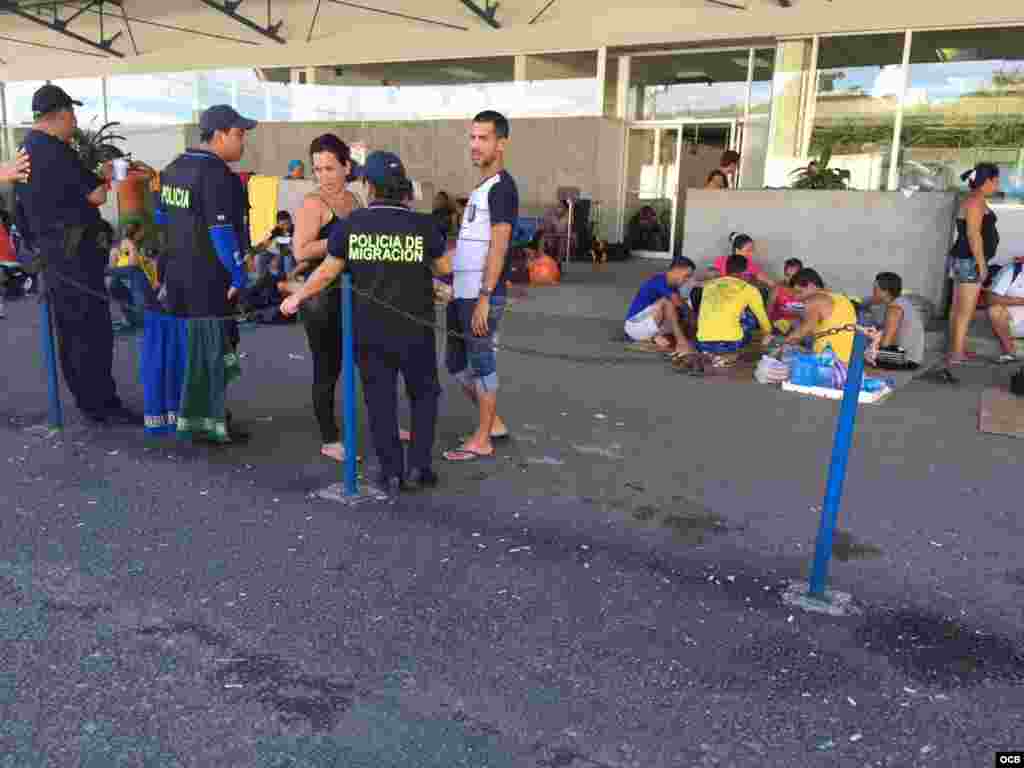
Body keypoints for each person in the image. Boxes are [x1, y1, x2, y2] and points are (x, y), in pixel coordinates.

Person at [281, 151, 449, 495]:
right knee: (424, 394)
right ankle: (420, 466)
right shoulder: (423, 226)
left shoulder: (351, 226)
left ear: (369, 186)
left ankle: (391, 472)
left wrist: (297, 297)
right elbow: (444, 269)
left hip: (370, 330)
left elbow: (327, 272)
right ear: (402, 185)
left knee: (380, 398)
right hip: (416, 328)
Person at [16, 84, 137, 425]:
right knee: (92, 330)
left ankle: (87, 399)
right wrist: (108, 176)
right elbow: (96, 195)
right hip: (76, 256)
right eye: (73, 114)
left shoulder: (24, 150)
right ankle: (101, 404)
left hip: (52, 253)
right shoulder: (57, 151)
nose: (76, 122)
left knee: (70, 331)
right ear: (62, 114)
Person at [143, 104, 255, 443]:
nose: (243, 142)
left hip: (177, 276)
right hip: (209, 281)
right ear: (219, 135)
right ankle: (210, 422)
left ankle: (188, 416)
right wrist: (238, 276)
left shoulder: (174, 168)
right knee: (214, 350)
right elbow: (221, 233)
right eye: (239, 134)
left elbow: (161, 219)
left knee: (186, 349)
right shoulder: (218, 176)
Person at [287, 134, 373, 462]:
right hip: (321, 297)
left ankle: (385, 423)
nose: (324, 176)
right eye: (318, 169)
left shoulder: (354, 200)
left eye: (330, 168)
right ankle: (329, 438)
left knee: (371, 360)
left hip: (356, 293)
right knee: (328, 367)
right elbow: (301, 251)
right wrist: (342, 238)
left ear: (346, 166)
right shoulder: (312, 203)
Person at [444, 110, 518, 463]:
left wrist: (485, 297)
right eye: (472, 137)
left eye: (483, 138)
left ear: (500, 143)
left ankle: (484, 438)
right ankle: (495, 423)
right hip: (463, 293)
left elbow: (499, 246)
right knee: (456, 364)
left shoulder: (503, 188)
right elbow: (471, 245)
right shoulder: (481, 188)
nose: (475, 145)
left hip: (481, 296)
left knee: (483, 364)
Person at [948, 163, 1000, 366]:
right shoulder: (975, 201)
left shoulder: (974, 199)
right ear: (987, 181)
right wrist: (981, 264)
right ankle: (957, 353)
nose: (997, 185)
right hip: (970, 260)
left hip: (965, 258)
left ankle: (955, 349)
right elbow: (973, 234)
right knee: (965, 310)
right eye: (996, 181)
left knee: (958, 308)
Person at [696, 254, 772, 365]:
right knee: (750, 317)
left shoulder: (709, 285)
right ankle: (734, 354)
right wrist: (767, 335)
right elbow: (763, 319)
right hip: (731, 343)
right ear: (745, 272)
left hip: (702, 342)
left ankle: (709, 352)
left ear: (726, 269)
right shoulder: (749, 289)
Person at [624, 259, 696, 360]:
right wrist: (692, 317)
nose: (687, 280)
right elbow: (679, 303)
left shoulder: (673, 286)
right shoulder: (659, 281)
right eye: (686, 276)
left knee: (682, 310)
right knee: (667, 302)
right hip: (635, 325)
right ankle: (680, 342)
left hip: (649, 324)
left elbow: (682, 308)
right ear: (676, 270)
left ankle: (654, 338)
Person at [785, 268, 857, 363]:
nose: (797, 297)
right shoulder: (843, 298)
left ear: (811, 286)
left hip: (829, 365)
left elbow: (798, 335)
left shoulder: (814, 300)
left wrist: (776, 343)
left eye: (799, 292)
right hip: (850, 363)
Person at [860, 272, 925, 369]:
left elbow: (886, 343)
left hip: (905, 360)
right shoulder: (901, 301)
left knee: (855, 353)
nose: (873, 292)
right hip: (908, 357)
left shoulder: (894, 308)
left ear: (885, 292)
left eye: (875, 289)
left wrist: (870, 347)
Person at [107, 221, 159, 328]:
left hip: (144, 287)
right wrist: (130, 245)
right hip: (129, 285)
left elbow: (147, 264)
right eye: (141, 231)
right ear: (136, 233)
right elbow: (130, 266)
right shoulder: (118, 249)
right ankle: (131, 317)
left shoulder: (141, 248)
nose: (143, 234)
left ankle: (133, 318)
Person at [985, 255, 1024, 364]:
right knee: (994, 310)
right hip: (1012, 322)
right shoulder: (1012, 270)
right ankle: (1010, 352)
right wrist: (1020, 301)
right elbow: (991, 298)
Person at [768, 257, 805, 333]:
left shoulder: (805, 290)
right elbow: (768, 311)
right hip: (779, 326)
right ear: (784, 273)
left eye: (794, 276)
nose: (790, 279)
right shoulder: (777, 288)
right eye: (787, 275)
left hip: (798, 326)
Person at [253, 210, 295, 276]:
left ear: (290, 221)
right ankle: (261, 279)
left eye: (287, 224)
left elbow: (291, 247)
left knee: (287, 256)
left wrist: (277, 258)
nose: (285, 227)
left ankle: (289, 279)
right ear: (278, 224)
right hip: (277, 252)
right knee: (258, 257)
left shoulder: (295, 230)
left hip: (288, 253)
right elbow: (266, 242)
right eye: (282, 225)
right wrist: (253, 251)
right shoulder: (277, 230)